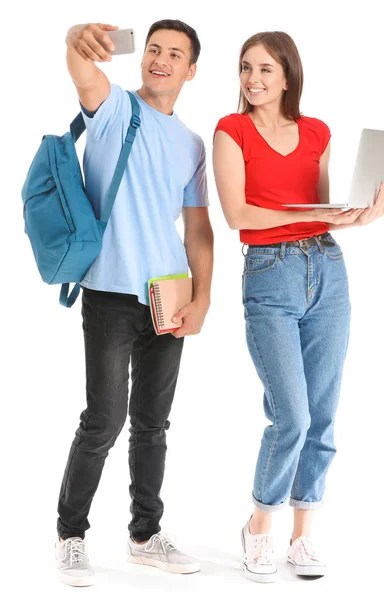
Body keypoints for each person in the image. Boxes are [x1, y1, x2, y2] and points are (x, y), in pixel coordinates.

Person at [213, 31, 384, 583]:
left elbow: (322, 208)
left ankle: (303, 536)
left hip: (327, 270)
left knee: (323, 411)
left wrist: (357, 216)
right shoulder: (231, 130)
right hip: (269, 275)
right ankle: (259, 528)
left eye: (265, 69)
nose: (253, 80)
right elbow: (238, 214)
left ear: (288, 75)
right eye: (246, 68)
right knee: (289, 414)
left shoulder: (317, 132)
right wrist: (309, 216)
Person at [55, 20, 213, 587]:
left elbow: (198, 229)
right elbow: (81, 70)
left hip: (167, 293)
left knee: (152, 423)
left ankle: (146, 534)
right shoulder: (117, 108)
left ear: (191, 69)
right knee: (104, 418)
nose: (161, 59)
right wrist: (76, 36)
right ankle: (70, 534)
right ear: (141, 57)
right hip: (109, 291)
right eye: (153, 50)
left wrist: (203, 295)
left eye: (175, 54)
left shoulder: (193, 143)